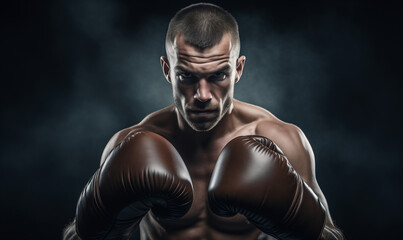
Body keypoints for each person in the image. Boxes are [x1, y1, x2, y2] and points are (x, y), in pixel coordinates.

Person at [63, 3, 344, 240]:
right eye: (187, 76)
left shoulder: (281, 140)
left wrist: (294, 215)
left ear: (238, 69)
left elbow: (328, 236)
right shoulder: (131, 143)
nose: (202, 95)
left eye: (218, 76)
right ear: (167, 70)